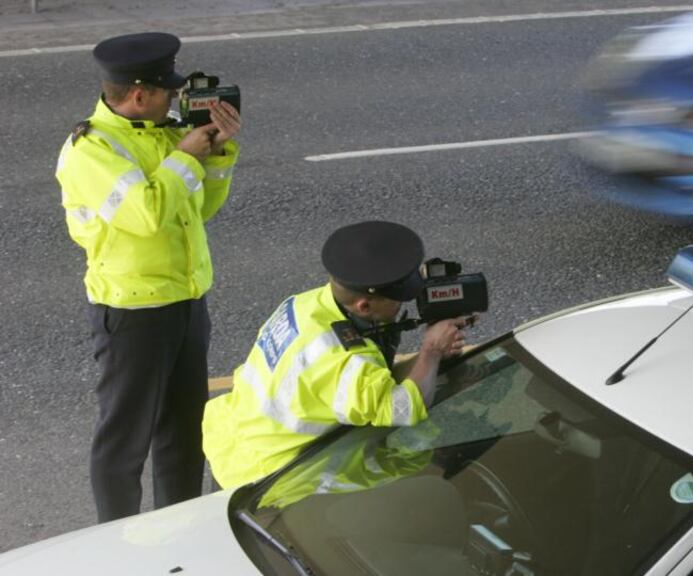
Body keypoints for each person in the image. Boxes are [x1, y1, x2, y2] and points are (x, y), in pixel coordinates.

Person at [55, 32, 242, 522]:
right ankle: (115, 542)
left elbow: (200, 209)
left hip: (184, 302)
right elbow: (147, 214)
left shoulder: (163, 132)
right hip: (132, 312)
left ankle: (175, 532)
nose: (177, 99)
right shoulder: (91, 150)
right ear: (140, 94)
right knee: (124, 442)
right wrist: (185, 156)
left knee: (184, 435)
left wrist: (217, 154)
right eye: (169, 92)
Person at [203, 221, 471, 489]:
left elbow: (371, 384)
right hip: (261, 479)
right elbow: (403, 409)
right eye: (398, 298)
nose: (404, 303)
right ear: (363, 305)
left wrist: (428, 357)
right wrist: (431, 351)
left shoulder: (305, 304)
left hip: (233, 444)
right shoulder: (340, 359)